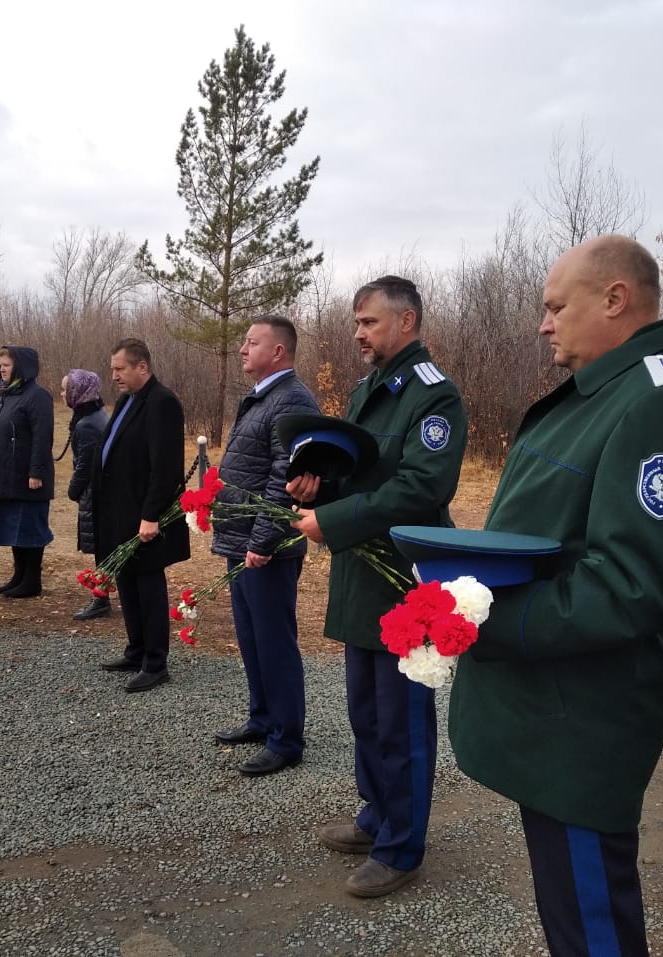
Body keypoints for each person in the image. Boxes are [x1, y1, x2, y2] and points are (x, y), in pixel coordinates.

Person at [449, 235, 663, 956]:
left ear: (615, 300)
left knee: (591, 926)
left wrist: (487, 622)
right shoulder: (608, 391)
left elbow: (628, 586)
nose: (544, 324)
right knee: (570, 915)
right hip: (552, 706)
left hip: (583, 720)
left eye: (555, 307)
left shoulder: (662, 406)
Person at [289, 276, 468, 898]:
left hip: (405, 581)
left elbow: (421, 489)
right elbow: (360, 474)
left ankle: (402, 847)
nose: (358, 332)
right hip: (363, 575)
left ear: (406, 322)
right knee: (366, 713)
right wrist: (319, 490)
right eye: (357, 322)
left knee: (402, 721)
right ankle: (377, 816)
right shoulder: (370, 388)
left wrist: (332, 520)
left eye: (368, 322)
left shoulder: (433, 398)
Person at [211, 315, 320, 776]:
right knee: (252, 638)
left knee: (275, 642)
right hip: (243, 542)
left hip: (266, 547)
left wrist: (263, 541)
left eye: (251, 343)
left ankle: (286, 739)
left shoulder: (293, 400)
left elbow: (283, 479)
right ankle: (262, 717)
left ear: (278, 352)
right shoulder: (262, 397)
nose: (242, 349)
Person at [91, 338, 190, 693]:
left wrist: (151, 515)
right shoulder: (126, 401)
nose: (114, 375)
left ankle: (155, 662)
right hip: (120, 513)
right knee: (127, 582)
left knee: (147, 585)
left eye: (120, 368)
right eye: (113, 368)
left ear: (142, 367)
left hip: (145, 516)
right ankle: (135, 649)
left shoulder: (162, 403)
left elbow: (164, 467)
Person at [0, 345, 55, 599]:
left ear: (21, 367)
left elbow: (42, 437)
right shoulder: (3, 393)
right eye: (0, 364)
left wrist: (36, 472)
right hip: (6, 475)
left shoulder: (38, 396)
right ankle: (19, 575)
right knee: (15, 527)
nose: (2, 368)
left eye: (7, 365)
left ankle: (32, 580)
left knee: (29, 528)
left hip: (29, 477)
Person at [62, 369, 113, 621]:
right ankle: (102, 596)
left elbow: (86, 466)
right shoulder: (95, 415)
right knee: (105, 548)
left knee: (103, 549)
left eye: (65, 389)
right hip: (103, 492)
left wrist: (73, 491)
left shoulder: (87, 424)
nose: (62, 394)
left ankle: (101, 599)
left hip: (97, 495)